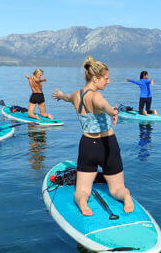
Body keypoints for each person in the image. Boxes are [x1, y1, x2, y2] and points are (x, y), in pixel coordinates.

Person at [53, 56, 134, 216]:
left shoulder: (77, 94)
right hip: (108, 145)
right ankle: (125, 197)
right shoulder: (96, 96)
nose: (108, 82)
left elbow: (68, 97)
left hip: (88, 146)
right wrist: (113, 112)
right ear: (96, 78)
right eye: (106, 78)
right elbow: (104, 105)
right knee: (117, 189)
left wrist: (60, 96)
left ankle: (83, 203)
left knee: (82, 190)